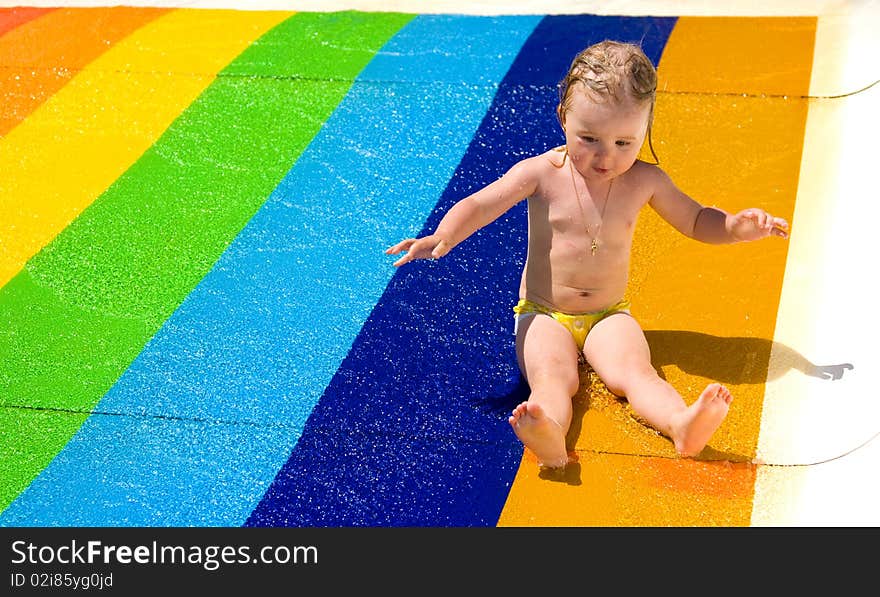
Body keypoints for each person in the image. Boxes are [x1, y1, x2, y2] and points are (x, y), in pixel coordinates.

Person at [385, 40, 789, 470]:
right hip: (542, 312)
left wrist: (735, 228)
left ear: (646, 127)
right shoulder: (541, 173)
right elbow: (484, 203)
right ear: (563, 118)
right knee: (554, 377)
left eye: (623, 142)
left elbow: (695, 220)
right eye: (589, 138)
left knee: (636, 374)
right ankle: (550, 435)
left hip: (609, 313)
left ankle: (680, 423)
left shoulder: (645, 180)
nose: (606, 156)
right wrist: (442, 235)